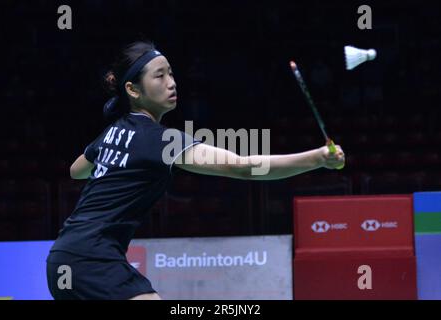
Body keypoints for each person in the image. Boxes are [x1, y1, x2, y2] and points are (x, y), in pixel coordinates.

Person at [46, 40, 345, 300]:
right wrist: (316, 158)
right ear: (133, 90)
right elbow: (243, 167)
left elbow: (77, 170)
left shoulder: (112, 133)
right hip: (93, 258)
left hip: (62, 258)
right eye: (159, 76)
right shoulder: (160, 140)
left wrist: (113, 158)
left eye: (171, 73)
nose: (171, 82)